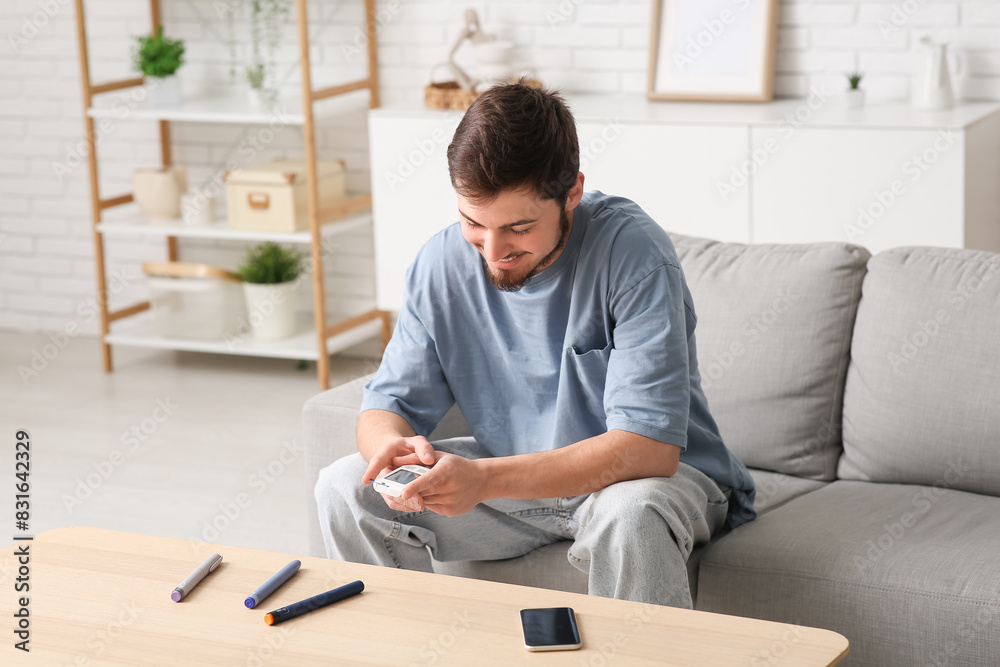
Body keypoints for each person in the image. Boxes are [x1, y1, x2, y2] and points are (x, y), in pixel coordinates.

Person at [315, 81, 756, 608]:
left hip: (641, 485)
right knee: (345, 488)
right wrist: (388, 446)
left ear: (571, 193)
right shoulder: (439, 265)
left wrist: (483, 480)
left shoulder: (633, 255)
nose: (494, 251)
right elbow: (387, 403)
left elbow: (649, 449)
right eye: (473, 222)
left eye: (518, 228)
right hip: (516, 487)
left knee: (631, 514)